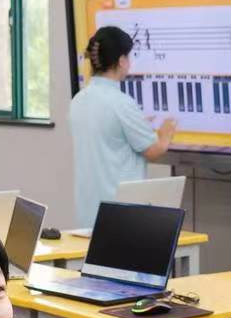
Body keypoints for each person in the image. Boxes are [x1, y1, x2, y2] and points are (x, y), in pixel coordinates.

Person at [68, 26, 176, 230]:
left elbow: (108, 136)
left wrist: (138, 124)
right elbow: (153, 150)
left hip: (88, 215)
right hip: (119, 216)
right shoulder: (121, 103)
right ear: (121, 60)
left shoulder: (78, 100)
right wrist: (166, 132)